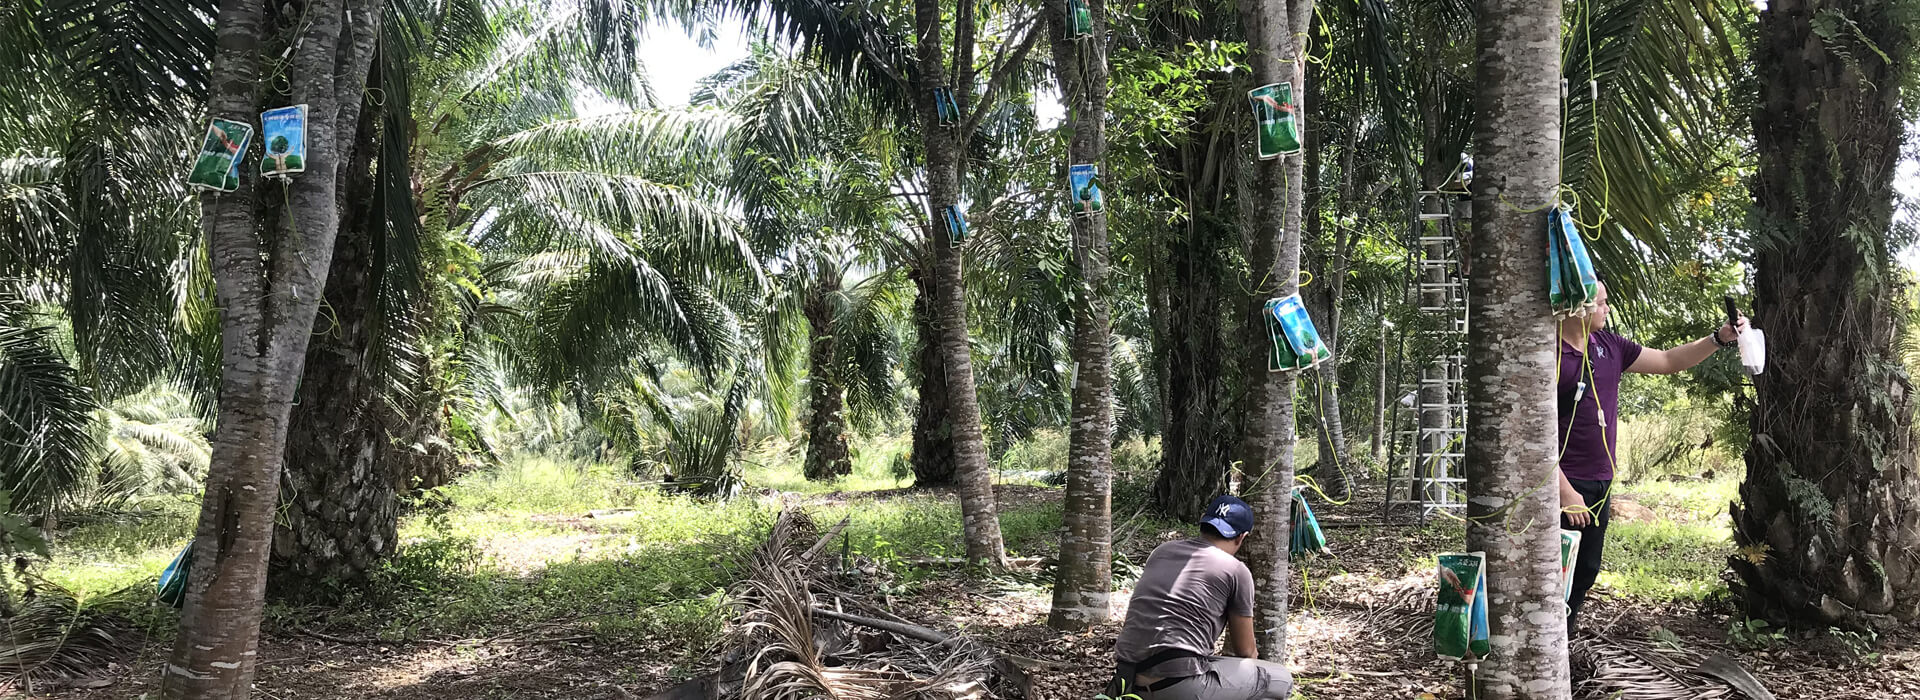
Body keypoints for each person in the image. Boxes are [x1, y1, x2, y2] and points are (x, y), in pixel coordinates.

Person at [1557, 281, 1746, 632]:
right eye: (1601, 303)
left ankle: (1561, 647)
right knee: (1555, 574)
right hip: (1564, 484)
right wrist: (1564, 492)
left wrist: (1719, 338)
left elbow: (1668, 360)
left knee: (1585, 571)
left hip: (1600, 480)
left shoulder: (1610, 346)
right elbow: (1531, 433)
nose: (1607, 309)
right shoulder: (1549, 355)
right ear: (1577, 307)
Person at [1109, 495, 1294, 700]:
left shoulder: (1162, 551)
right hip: (1177, 684)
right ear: (1242, 537)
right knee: (1279, 679)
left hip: (1126, 679)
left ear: (1204, 524)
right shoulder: (1236, 570)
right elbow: (1246, 651)